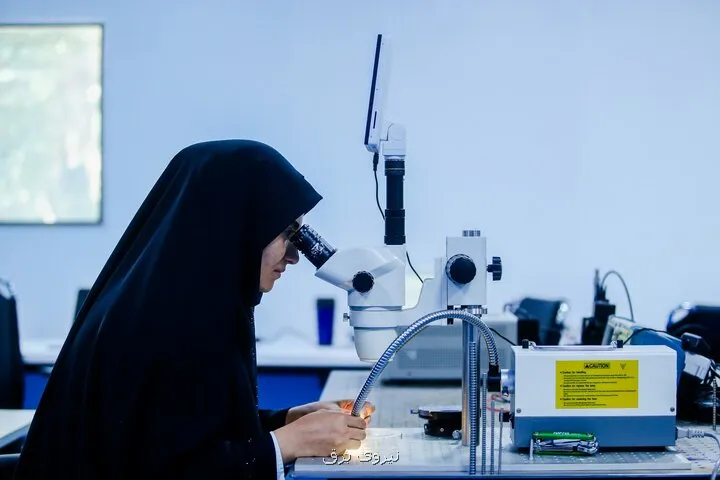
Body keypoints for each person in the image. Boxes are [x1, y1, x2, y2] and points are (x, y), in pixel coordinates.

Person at [13, 140, 375, 479]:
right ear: (237, 225)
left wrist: (286, 421)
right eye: (286, 234)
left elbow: (186, 430)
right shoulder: (165, 330)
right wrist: (286, 444)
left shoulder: (183, 306)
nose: (295, 256)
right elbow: (164, 469)